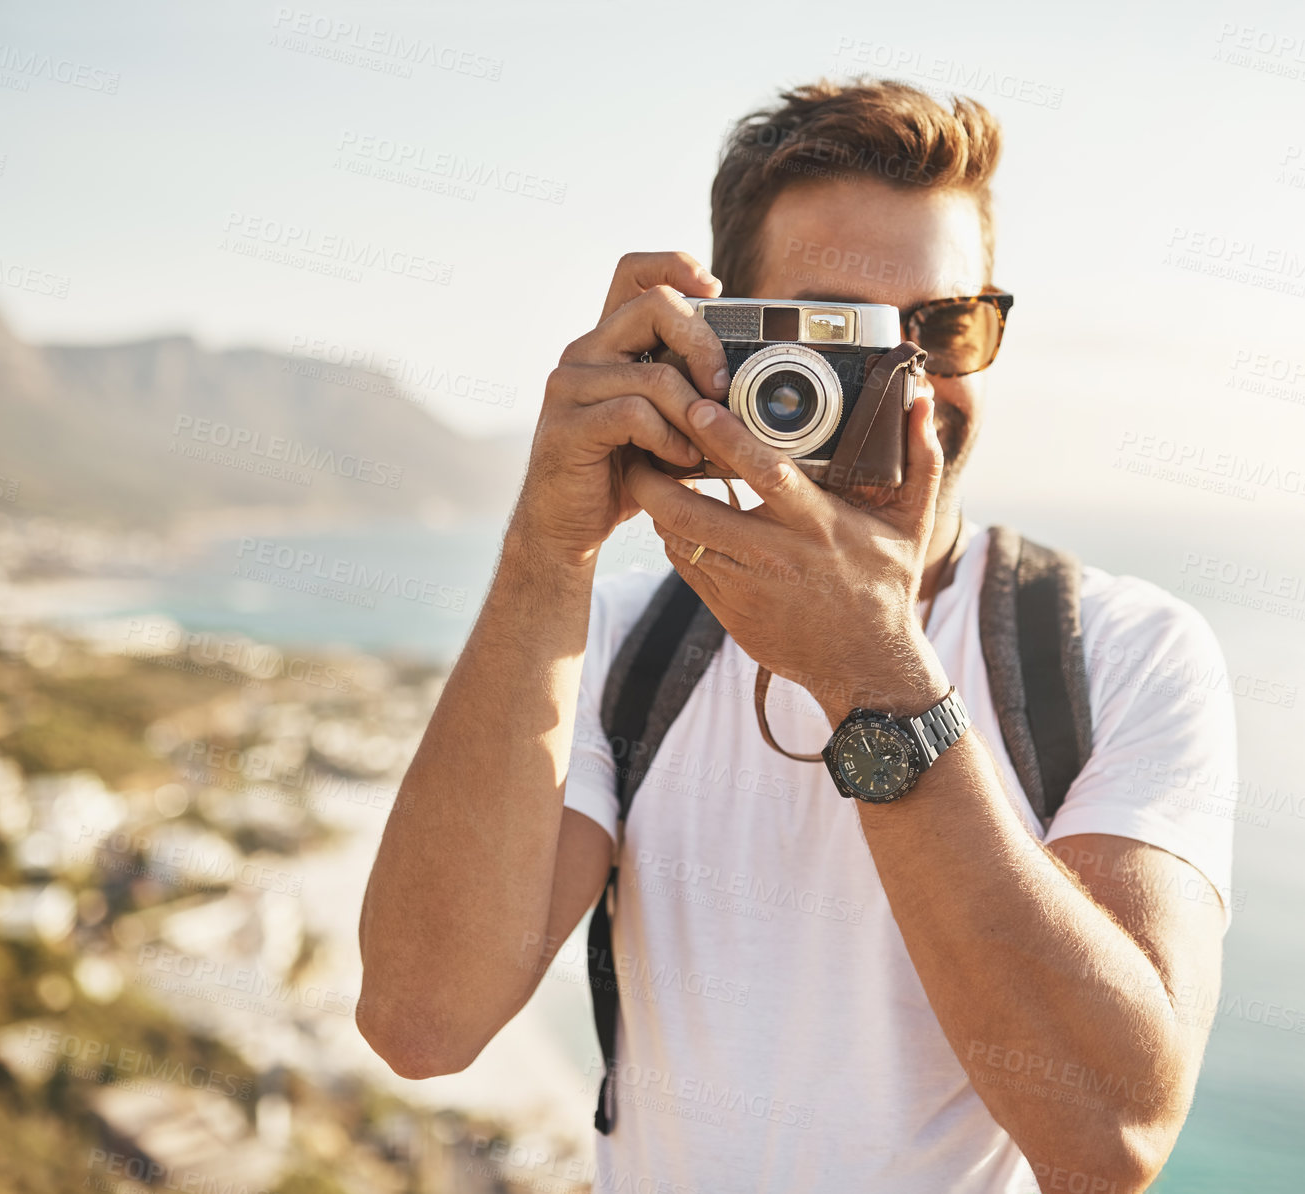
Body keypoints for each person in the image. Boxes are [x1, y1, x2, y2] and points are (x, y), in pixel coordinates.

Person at [357, 78, 1239, 1193]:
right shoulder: (629, 650)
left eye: (943, 327)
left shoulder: (1114, 655)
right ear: (719, 346)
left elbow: (1110, 1139)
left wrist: (872, 674)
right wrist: (549, 550)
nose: (904, 381)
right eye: (841, 334)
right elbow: (419, 1022)